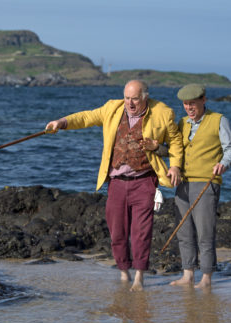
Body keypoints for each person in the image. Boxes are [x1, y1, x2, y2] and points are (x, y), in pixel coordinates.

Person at [45, 80, 183, 291]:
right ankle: (123, 273)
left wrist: (174, 166)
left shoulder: (163, 112)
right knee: (117, 232)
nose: (130, 103)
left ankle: (139, 277)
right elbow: (86, 117)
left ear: (145, 97)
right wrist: (61, 122)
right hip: (117, 182)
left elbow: (175, 141)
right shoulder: (113, 108)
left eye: (135, 98)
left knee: (141, 233)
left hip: (144, 181)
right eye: (127, 98)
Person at [169, 83, 231, 289]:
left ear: (204, 100)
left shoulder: (218, 120)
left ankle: (206, 278)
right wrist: (157, 148)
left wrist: (223, 164)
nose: (189, 108)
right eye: (186, 104)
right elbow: (175, 150)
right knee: (184, 231)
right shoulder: (182, 123)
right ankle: (187, 275)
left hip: (207, 183)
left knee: (205, 232)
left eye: (193, 104)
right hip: (183, 183)